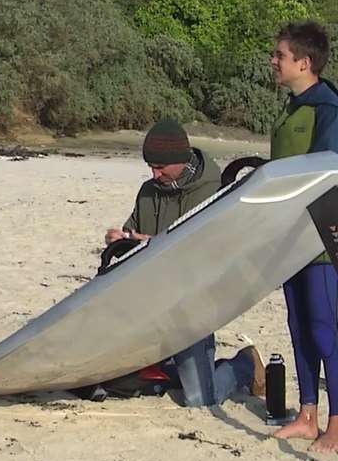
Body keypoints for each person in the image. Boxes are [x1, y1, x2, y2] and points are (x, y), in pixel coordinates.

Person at [98, 117, 266, 408]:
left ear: (181, 159)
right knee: (123, 379)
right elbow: (132, 241)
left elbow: (209, 254)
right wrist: (121, 239)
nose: (154, 173)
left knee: (200, 400)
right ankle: (170, 367)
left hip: (193, 308)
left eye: (160, 167)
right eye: (150, 166)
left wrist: (148, 240)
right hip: (149, 306)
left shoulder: (214, 191)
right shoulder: (148, 191)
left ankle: (244, 365)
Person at [267, 20, 338, 453]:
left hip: (320, 238)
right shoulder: (291, 107)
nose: (274, 61)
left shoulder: (329, 108)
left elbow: (328, 170)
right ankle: (307, 415)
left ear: (304, 62)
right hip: (287, 234)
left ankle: (336, 423)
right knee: (298, 326)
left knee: (324, 328)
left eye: (280, 55)